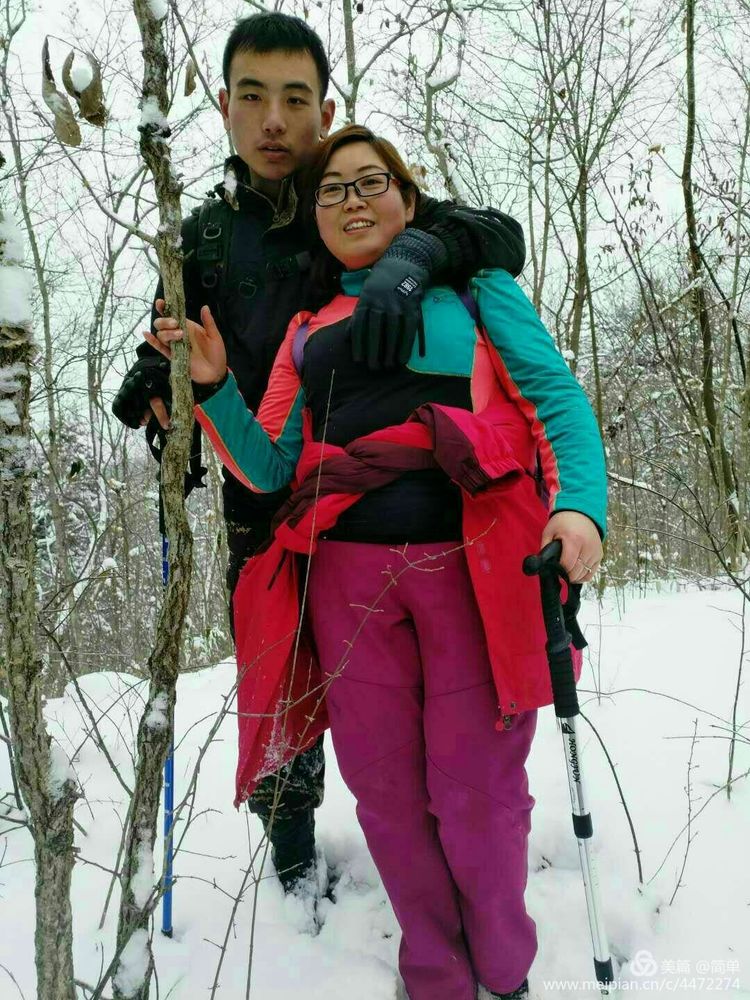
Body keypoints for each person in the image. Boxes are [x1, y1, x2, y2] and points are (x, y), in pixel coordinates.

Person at [146, 124, 607, 1000]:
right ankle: (433, 971)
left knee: (475, 791)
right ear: (317, 219)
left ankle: (503, 963)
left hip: (471, 567)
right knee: (388, 795)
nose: (352, 199)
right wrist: (213, 388)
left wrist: (580, 504)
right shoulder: (306, 329)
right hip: (348, 586)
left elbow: (554, 396)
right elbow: (270, 468)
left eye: (371, 182)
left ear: (407, 196)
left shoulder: (475, 290)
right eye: (333, 189)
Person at [111, 13, 528, 895]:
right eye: (253, 97)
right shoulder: (200, 237)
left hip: (372, 501)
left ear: (325, 110)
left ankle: (443, 847)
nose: (274, 120)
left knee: (410, 691)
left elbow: (495, 236)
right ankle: (294, 850)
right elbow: (172, 332)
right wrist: (155, 380)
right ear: (223, 105)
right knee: (280, 682)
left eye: (295, 99)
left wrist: (419, 248)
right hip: (260, 493)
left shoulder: (351, 197)